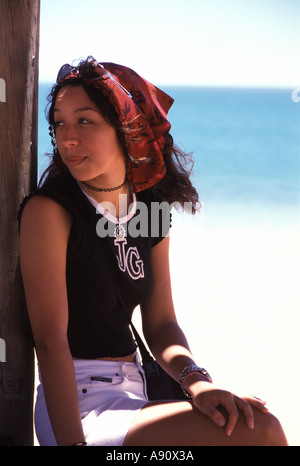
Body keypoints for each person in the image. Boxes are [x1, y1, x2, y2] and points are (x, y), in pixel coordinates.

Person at [19, 56, 288, 446]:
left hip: (141, 393)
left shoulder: (151, 210)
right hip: (79, 406)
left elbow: (161, 324)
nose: (67, 137)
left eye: (85, 120)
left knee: (250, 422)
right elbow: (49, 341)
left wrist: (198, 384)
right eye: (59, 122)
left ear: (127, 127)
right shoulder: (51, 210)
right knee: (260, 433)